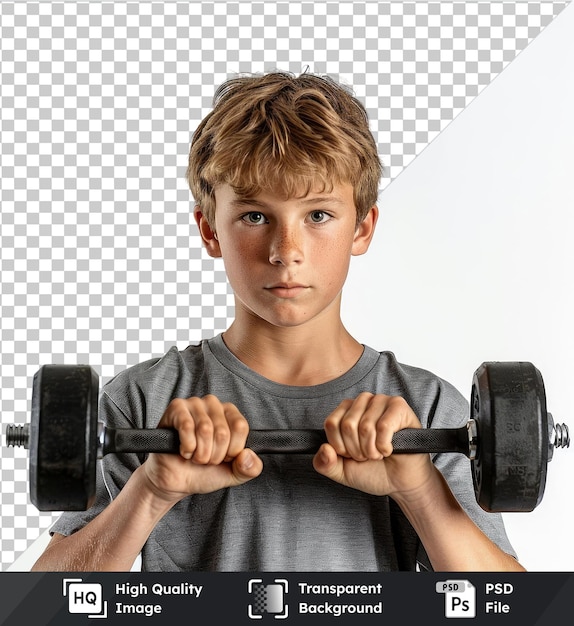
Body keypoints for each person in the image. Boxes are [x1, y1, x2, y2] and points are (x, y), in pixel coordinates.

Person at [32, 71, 524, 572]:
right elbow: (38, 610)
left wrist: (419, 490)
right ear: (210, 230)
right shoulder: (143, 401)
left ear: (363, 226)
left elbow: (512, 609)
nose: (286, 252)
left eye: (317, 216)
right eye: (254, 216)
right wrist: (151, 492)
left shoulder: (427, 409)